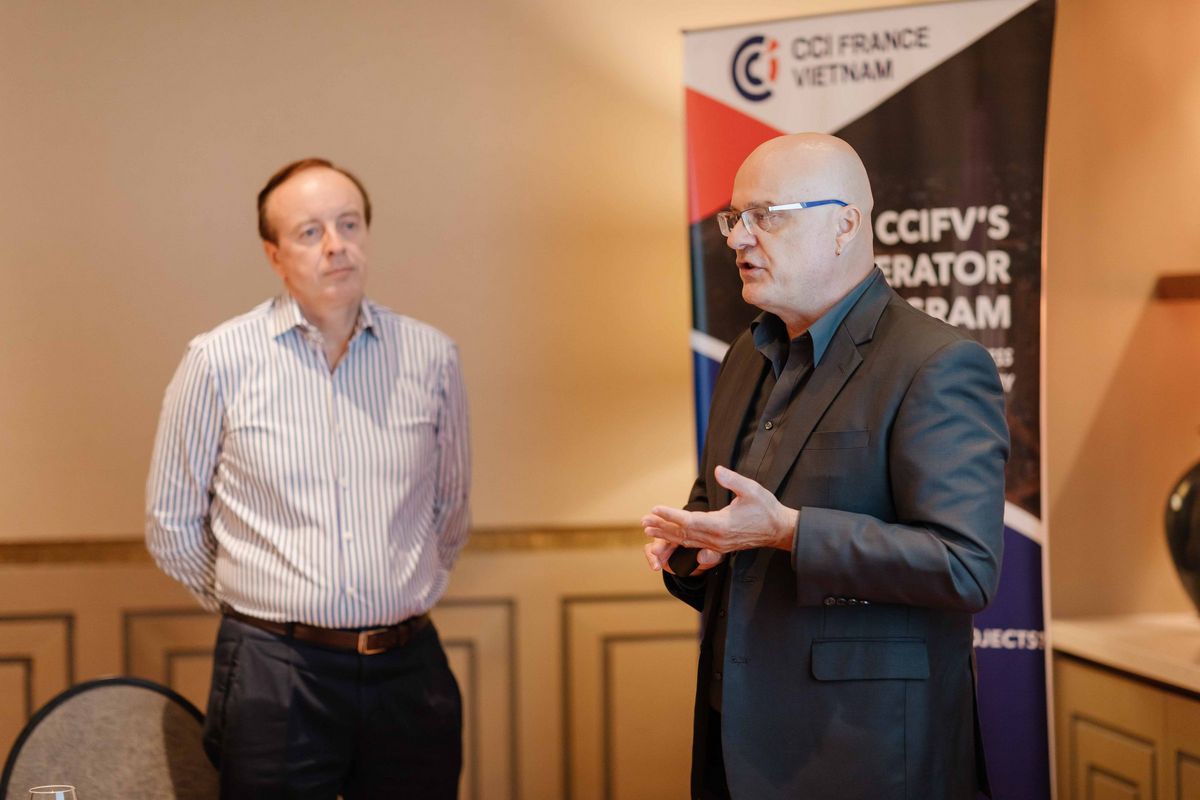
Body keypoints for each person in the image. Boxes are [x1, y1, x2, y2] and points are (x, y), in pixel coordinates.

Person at [642, 133, 1008, 800]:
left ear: (845, 225)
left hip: (864, 757)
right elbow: (721, 512)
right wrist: (693, 548)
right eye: (735, 217)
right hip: (734, 743)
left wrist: (789, 531)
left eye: (766, 215)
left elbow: (965, 566)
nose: (738, 238)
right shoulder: (745, 356)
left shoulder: (936, 363)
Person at [146, 158, 470, 799]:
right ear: (274, 254)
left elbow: (450, 510)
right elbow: (172, 526)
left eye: (349, 225)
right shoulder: (218, 361)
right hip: (274, 673)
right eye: (310, 232)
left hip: (409, 672)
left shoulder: (432, 357)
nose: (335, 246)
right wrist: (257, 607)